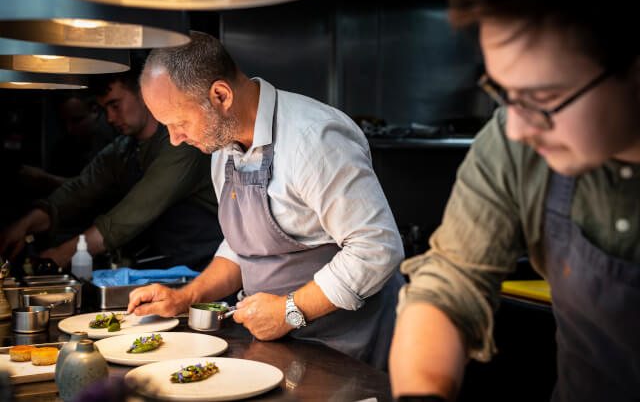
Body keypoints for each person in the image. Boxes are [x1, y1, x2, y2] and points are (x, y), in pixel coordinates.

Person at [389, 0, 640, 401]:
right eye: (504, 93)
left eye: (542, 97)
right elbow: (451, 283)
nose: (519, 128)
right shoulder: (514, 137)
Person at [126, 31, 405, 369]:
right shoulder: (223, 149)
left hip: (351, 348)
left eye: (179, 122)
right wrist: (187, 298)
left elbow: (377, 249)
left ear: (220, 95)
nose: (174, 140)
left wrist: (290, 310)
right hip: (287, 349)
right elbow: (243, 248)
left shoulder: (313, 139)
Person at [0, 55, 223, 272]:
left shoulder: (183, 144)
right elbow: (78, 191)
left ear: (145, 94)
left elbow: (131, 214)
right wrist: (26, 224)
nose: (109, 117)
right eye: (104, 108)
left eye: (115, 105)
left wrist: (61, 254)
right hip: (164, 271)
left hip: (210, 271)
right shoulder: (121, 151)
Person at [18, 93, 116, 197]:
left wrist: (47, 179)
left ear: (94, 111)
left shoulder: (112, 142)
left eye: (76, 120)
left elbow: (99, 189)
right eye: (63, 122)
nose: (69, 129)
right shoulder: (64, 146)